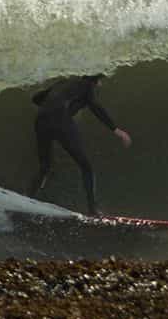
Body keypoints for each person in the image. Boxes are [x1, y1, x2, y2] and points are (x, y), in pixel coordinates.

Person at [28, 74, 131, 216]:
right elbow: (95, 106)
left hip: (41, 120)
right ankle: (93, 210)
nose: (100, 84)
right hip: (60, 120)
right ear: (95, 80)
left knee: (45, 167)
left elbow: (36, 99)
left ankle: (28, 199)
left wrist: (54, 104)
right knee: (86, 166)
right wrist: (116, 130)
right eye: (100, 81)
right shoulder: (87, 85)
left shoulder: (64, 82)